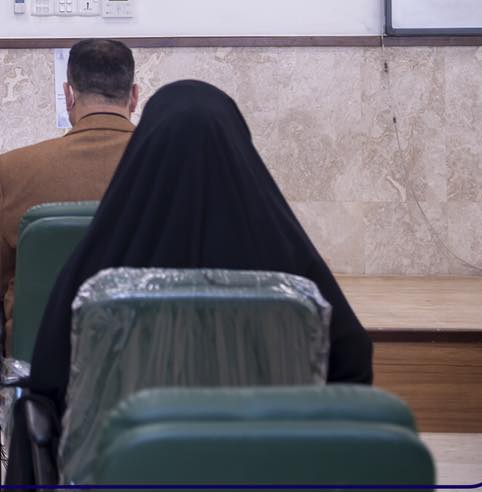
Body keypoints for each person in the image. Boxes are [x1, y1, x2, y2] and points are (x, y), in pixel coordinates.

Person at [27, 79, 374, 408]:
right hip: (265, 450)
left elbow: (50, 378)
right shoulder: (287, 266)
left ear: (144, 149)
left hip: (128, 451)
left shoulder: (102, 268)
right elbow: (351, 360)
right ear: (240, 149)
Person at [0, 39, 138, 333]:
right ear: (134, 96)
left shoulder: (16, 168)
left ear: (68, 95)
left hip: (40, 352)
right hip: (147, 349)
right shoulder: (176, 168)